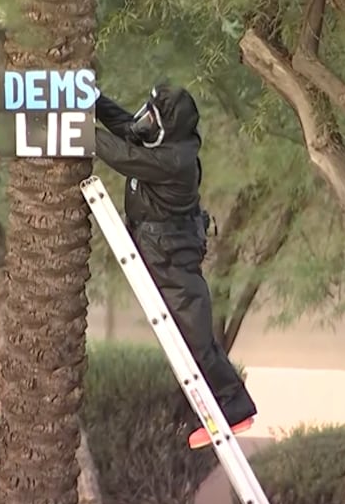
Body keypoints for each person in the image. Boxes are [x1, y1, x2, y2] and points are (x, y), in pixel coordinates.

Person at [93, 83, 257, 449]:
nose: (144, 121)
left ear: (170, 124)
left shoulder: (173, 160)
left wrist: (71, 127)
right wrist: (93, 99)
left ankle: (235, 406)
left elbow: (120, 155)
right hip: (163, 250)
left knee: (195, 341)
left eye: (152, 117)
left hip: (173, 258)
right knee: (189, 341)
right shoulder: (161, 142)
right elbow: (125, 127)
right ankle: (224, 405)